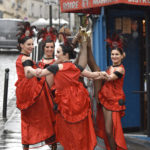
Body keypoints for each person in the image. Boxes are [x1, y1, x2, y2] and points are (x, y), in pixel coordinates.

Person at [35, 36, 107, 150]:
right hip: (79, 99)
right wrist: (103, 74)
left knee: (67, 128)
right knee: (79, 127)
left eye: (58, 52)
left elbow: (40, 74)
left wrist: (30, 70)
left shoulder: (56, 67)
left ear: (65, 54)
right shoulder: (75, 66)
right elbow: (92, 75)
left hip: (66, 101)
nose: (56, 54)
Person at [15, 22, 56, 150]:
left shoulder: (23, 57)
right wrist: (36, 71)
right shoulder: (24, 59)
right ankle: (52, 142)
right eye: (29, 44)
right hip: (31, 91)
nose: (32, 46)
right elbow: (28, 69)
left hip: (25, 91)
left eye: (32, 44)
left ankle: (28, 146)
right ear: (21, 45)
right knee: (46, 118)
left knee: (27, 122)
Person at [96, 44, 127, 150]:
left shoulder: (121, 69)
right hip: (105, 99)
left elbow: (110, 78)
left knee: (113, 130)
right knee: (107, 130)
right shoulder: (109, 67)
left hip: (115, 100)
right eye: (112, 54)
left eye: (117, 54)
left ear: (122, 56)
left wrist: (99, 74)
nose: (114, 56)